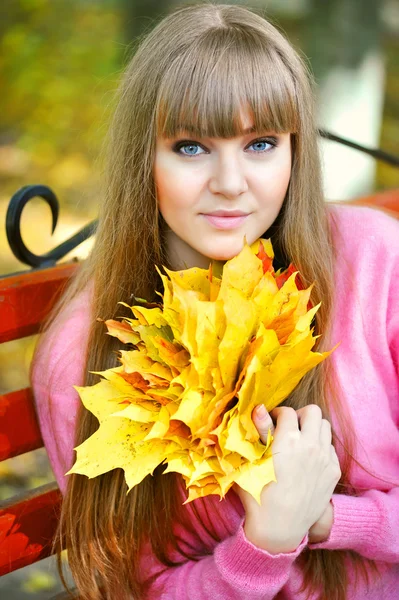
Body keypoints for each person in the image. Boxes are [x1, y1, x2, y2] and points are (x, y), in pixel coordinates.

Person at [31, 3, 399, 599]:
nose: (230, 183)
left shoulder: (375, 261)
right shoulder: (83, 357)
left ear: (295, 151)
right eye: (192, 147)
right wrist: (265, 545)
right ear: (142, 158)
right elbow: (136, 587)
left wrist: (328, 519)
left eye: (260, 144)